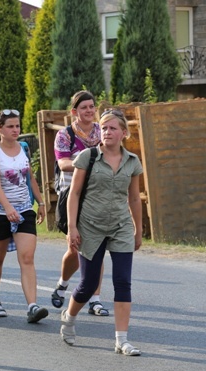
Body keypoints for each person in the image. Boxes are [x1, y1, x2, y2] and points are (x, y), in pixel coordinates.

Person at [61, 109, 143, 356]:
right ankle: (69, 317)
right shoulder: (89, 156)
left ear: (124, 133)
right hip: (90, 226)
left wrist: (138, 231)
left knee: (123, 282)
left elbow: (134, 199)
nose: (107, 132)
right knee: (87, 285)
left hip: (120, 226)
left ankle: (121, 340)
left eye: (113, 128)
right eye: (104, 128)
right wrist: (72, 227)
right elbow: (74, 193)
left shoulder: (132, 161)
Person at [0, 109, 48, 323]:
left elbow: (30, 178)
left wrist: (41, 202)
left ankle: (32, 306)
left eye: (17, 126)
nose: (15, 130)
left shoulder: (24, 149)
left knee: (27, 258)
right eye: (10, 126)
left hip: (24, 210)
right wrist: (8, 207)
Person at [50, 91, 108, 316]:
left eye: (92, 106)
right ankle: (63, 284)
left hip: (97, 195)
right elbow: (63, 163)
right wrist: (89, 163)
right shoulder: (65, 135)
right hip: (72, 195)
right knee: (75, 248)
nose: (89, 111)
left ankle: (95, 300)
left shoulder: (101, 132)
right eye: (84, 107)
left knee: (97, 248)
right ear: (75, 111)